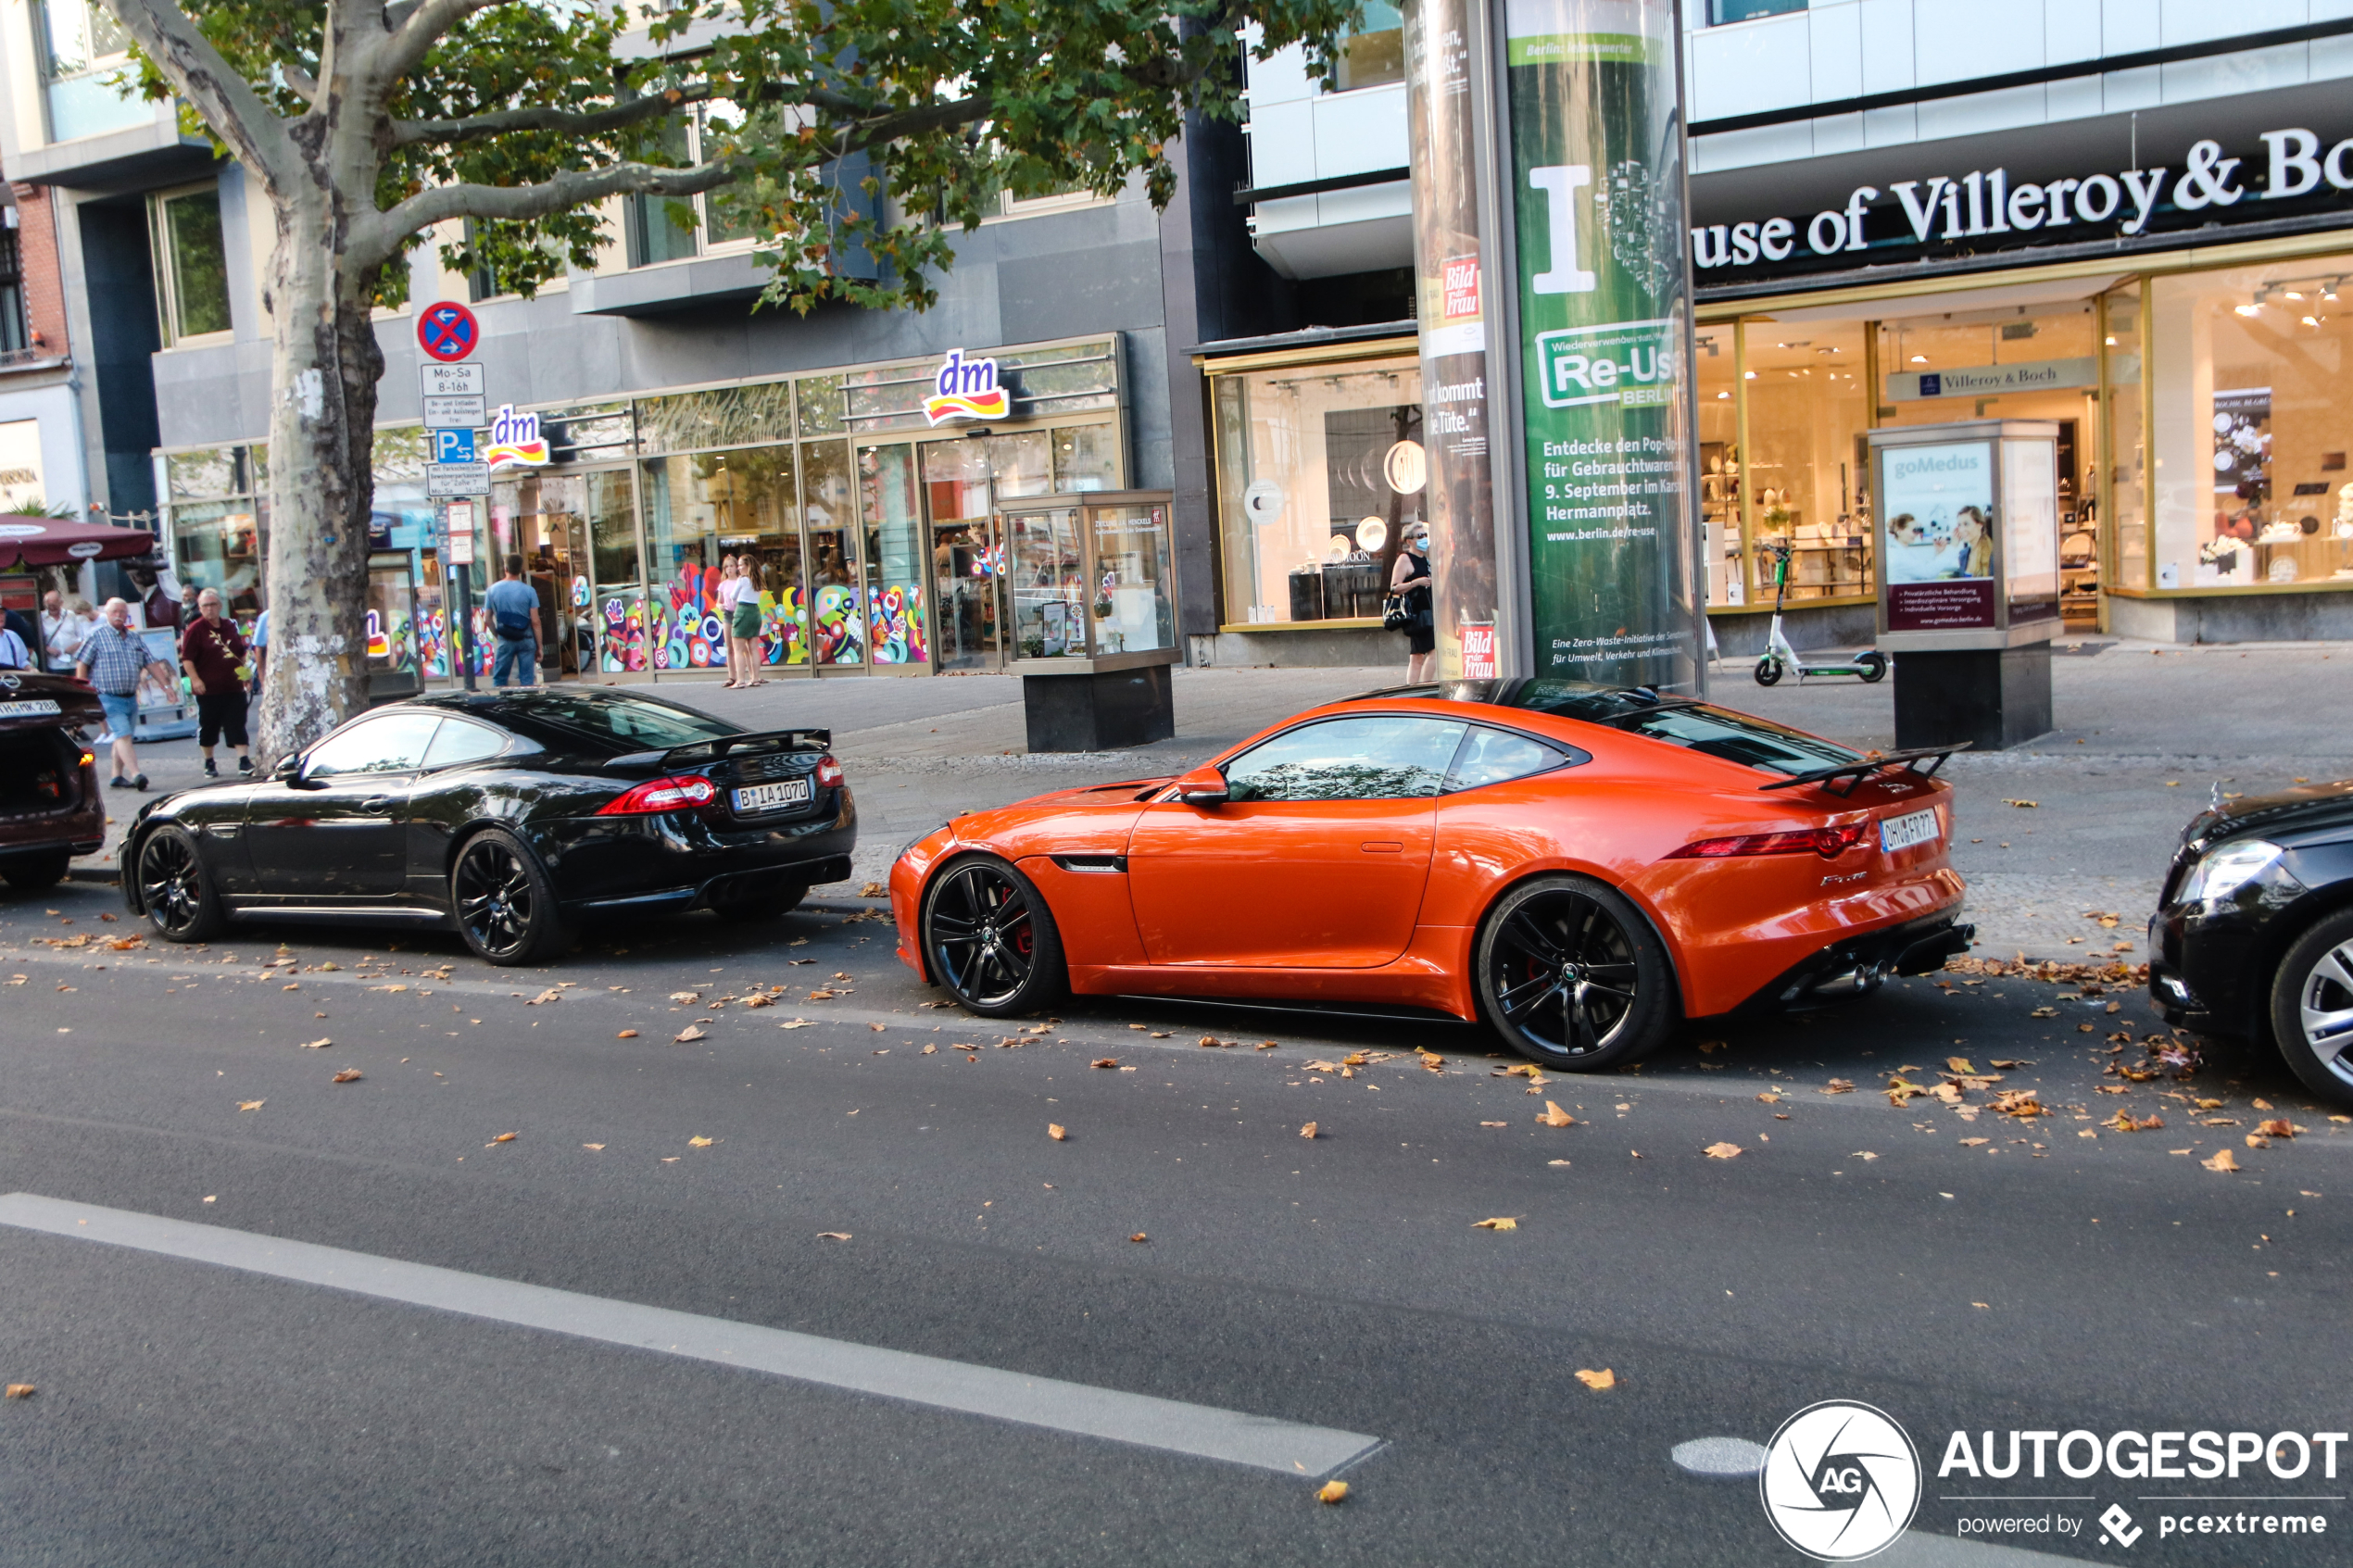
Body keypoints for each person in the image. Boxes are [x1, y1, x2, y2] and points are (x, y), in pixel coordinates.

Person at [75, 597, 176, 791]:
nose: (119, 616)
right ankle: (136, 773)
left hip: (130, 696)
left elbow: (151, 663)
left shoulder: (134, 638)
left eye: (122, 612)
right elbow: (82, 664)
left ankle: (116, 776)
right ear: (107, 613)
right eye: (114, 612)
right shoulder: (96, 635)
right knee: (124, 735)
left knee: (122, 737)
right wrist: (83, 691)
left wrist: (166, 686)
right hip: (107, 695)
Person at [180, 588, 253, 777]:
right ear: (200, 608)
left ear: (220, 606)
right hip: (208, 689)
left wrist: (245, 675)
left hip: (232, 686)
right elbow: (187, 658)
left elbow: (239, 653)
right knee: (209, 725)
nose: (209, 609)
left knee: (237, 722)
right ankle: (209, 761)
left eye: (213, 605)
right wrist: (195, 680)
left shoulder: (230, 626)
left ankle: (244, 760)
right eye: (205, 606)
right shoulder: (195, 630)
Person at [484, 553, 543, 688]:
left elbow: (487, 619)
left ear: (505, 568)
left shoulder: (492, 590)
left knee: (500, 679)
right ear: (521, 570)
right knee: (527, 680)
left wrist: (498, 635)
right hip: (526, 638)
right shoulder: (530, 591)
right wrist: (539, 646)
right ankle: (526, 706)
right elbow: (535, 621)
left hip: (505, 638)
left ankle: (501, 706)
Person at [1391, 523, 1435, 684]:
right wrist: (1414, 583)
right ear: (1409, 541)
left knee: (1419, 655)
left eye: (1425, 535)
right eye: (1420, 536)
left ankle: (1417, 688)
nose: (1424, 539)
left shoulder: (1426, 560)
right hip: (1417, 613)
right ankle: (1420, 687)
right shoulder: (1405, 559)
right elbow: (1395, 587)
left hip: (1429, 611)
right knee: (1424, 654)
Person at [728, 556, 768, 688]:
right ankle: (755, 678)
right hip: (755, 612)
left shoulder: (743, 580)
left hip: (743, 611)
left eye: (740, 565)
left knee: (738, 649)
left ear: (747, 566)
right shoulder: (758, 580)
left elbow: (733, 596)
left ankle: (740, 680)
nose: (738, 568)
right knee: (753, 648)